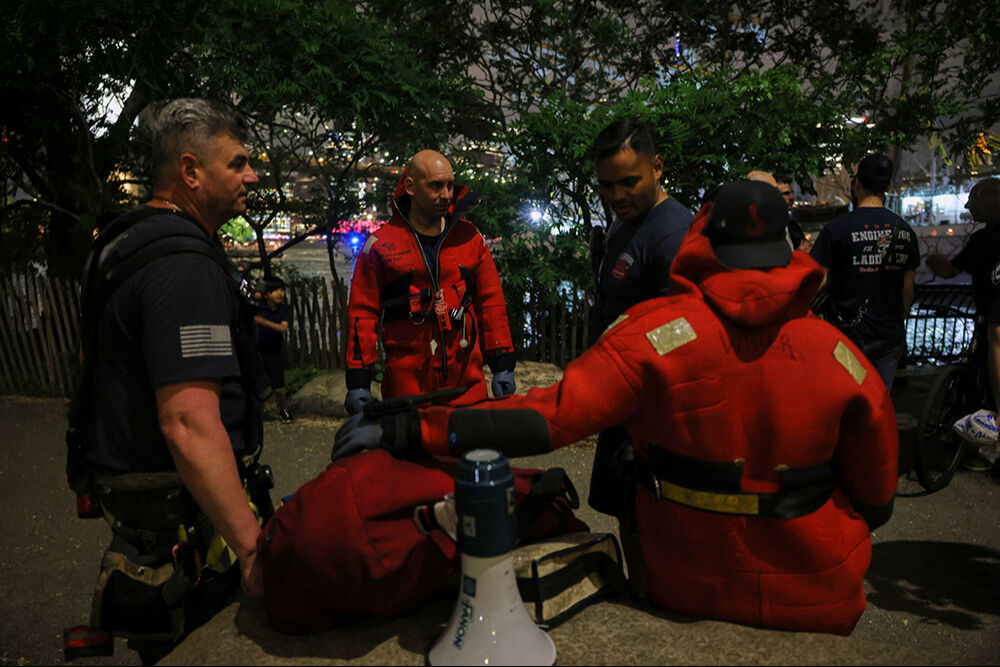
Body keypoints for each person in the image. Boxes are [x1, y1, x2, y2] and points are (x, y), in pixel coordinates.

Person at [333, 180, 898, 636]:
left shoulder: (651, 336)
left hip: (684, 579)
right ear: (792, 250)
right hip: (818, 584)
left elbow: (544, 418)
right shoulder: (838, 354)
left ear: (703, 242)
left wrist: (408, 430)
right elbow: (877, 497)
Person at [70, 98, 268, 663]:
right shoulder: (184, 267)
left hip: (137, 510)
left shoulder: (118, 243)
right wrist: (251, 550)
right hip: (181, 518)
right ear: (189, 172)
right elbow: (187, 421)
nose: (251, 175)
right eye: (237, 163)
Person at [343, 150, 516, 414]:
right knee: (409, 456)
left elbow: (491, 302)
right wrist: (358, 383)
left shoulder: (470, 238)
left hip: (467, 388)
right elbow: (362, 314)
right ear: (410, 186)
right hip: (407, 392)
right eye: (435, 185)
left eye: (449, 185)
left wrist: (502, 364)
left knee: (466, 454)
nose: (446, 195)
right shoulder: (380, 246)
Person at [588, 119, 694, 527]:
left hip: (652, 411)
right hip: (623, 399)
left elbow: (681, 335)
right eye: (606, 185)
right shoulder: (626, 221)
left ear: (658, 167)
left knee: (648, 521)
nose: (616, 195)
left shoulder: (672, 235)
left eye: (628, 182)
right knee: (625, 515)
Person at [810, 153, 920, 389]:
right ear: (889, 185)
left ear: (857, 183)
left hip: (846, 336)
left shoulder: (836, 229)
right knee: (880, 398)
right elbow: (907, 290)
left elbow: (818, 281)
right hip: (889, 335)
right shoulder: (905, 231)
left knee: (849, 395)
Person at [926, 178, 1000, 462]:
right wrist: (935, 260)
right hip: (984, 317)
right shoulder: (981, 239)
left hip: (994, 319)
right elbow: (951, 269)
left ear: (995, 197)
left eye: (975, 197)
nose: (968, 205)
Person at [255, 277, 293, 423]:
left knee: (279, 386)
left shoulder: (284, 308)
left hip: (274, 350)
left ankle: (283, 410)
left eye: (282, 290)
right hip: (258, 349)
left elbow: (283, 328)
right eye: (276, 290)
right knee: (257, 384)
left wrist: (263, 322)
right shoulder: (259, 307)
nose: (280, 293)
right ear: (266, 294)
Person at [773, 172, 811, 252]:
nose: (791, 197)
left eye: (791, 193)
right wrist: (798, 255)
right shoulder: (767, 228)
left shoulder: (793, 227)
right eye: (786, 194)